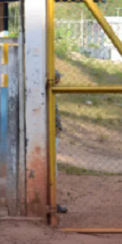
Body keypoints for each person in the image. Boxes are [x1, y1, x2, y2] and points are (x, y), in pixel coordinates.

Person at [54, 69, 68, 214]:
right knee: (52, 170)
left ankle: (51, 201)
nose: (59, 81)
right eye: (58, 78)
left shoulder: (50, 94)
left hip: (52, 133)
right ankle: (50, 202)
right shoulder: (46, 94)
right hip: (48, 135)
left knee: (53, 169)